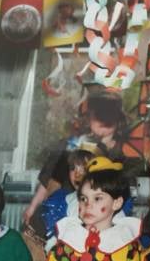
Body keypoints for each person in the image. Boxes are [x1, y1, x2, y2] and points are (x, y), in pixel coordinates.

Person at [24, 90, 127, 225]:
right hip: (67, 210)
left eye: (109, 115)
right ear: (89, 116)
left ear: (118, 118)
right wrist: (33, 207)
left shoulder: (124, 151)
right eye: (99, 115)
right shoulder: (72, 145)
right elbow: (49, 179)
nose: (103, 120)